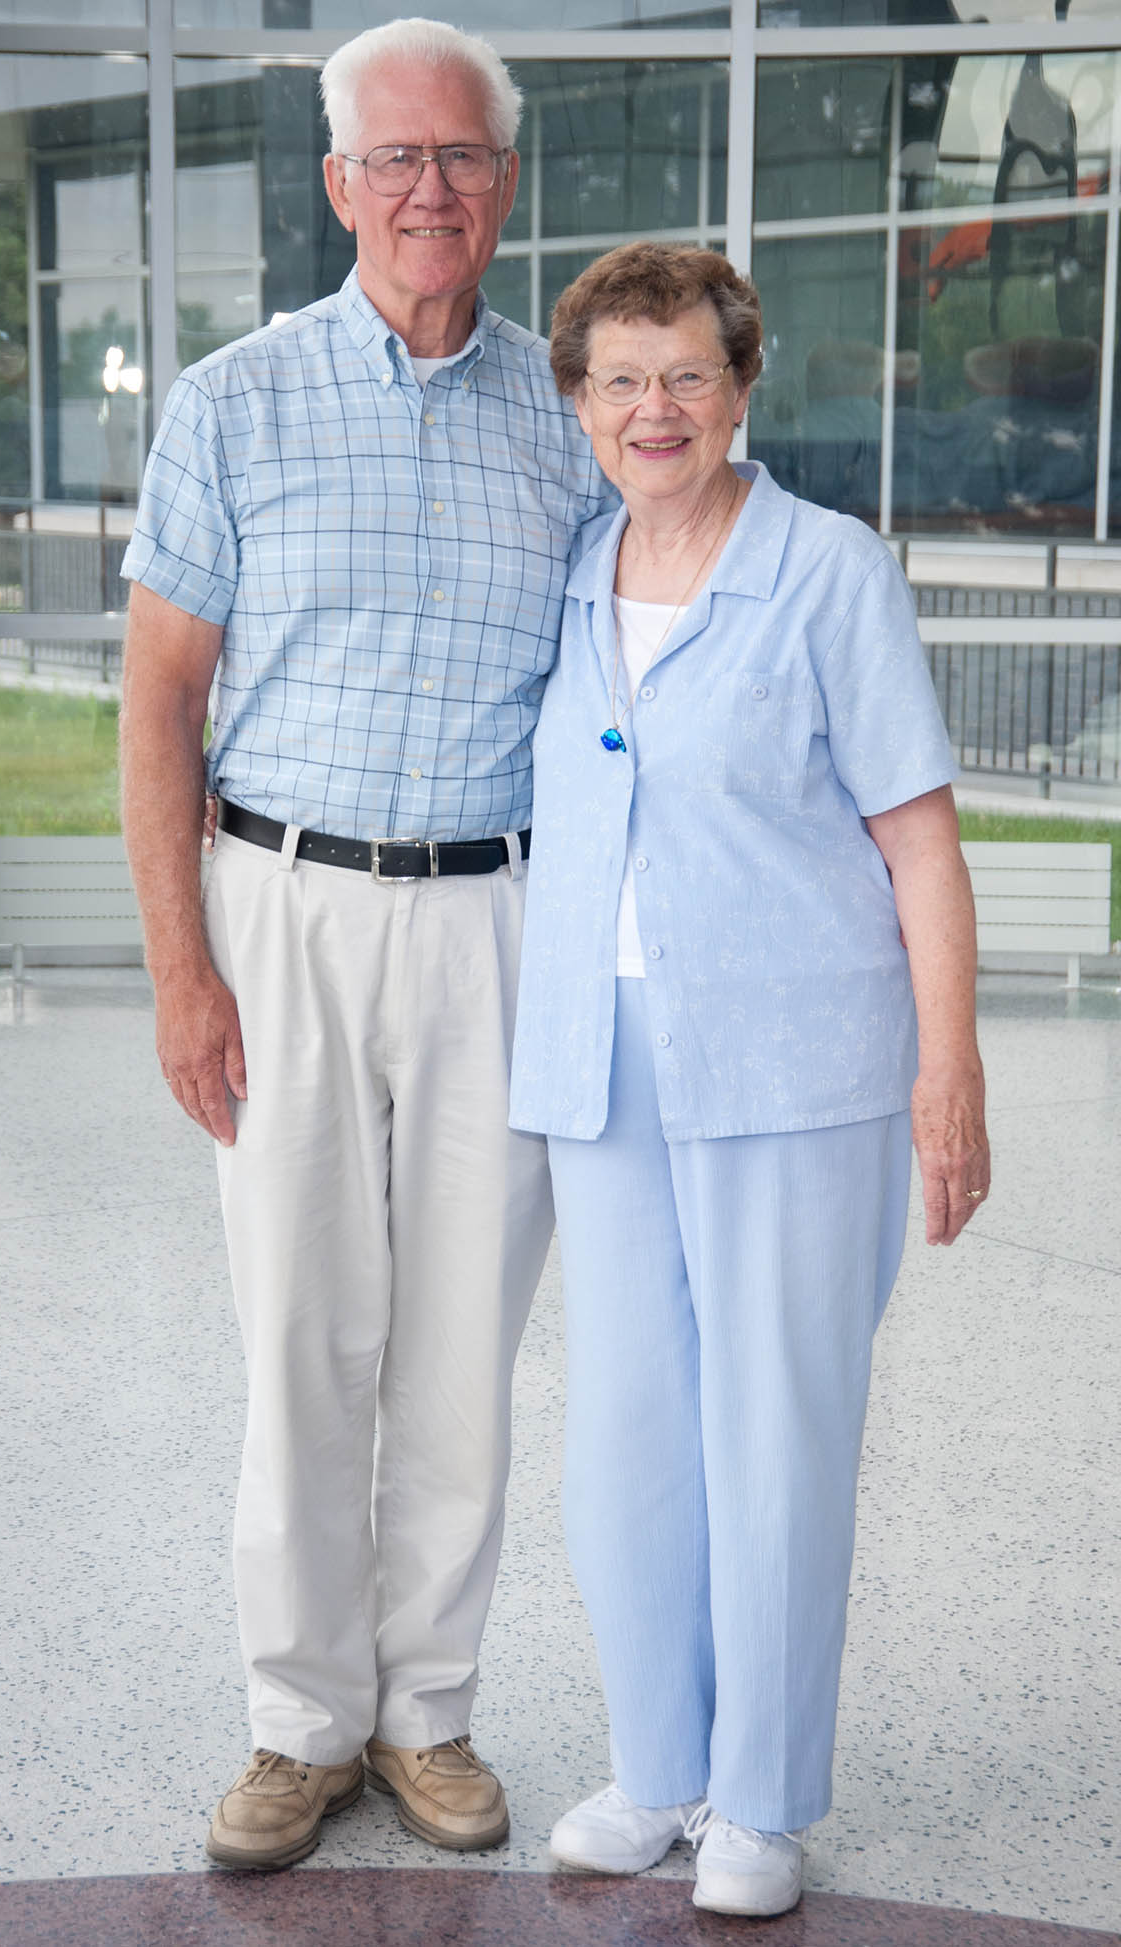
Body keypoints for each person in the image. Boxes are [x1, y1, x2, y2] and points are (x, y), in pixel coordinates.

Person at [119, 18, 607, 1871]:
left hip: (498, 918)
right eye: (394, 158)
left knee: (462, 1346)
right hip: (287, 910)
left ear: (506, 184)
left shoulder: (568, 416)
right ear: (338, 184)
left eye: (461, 156)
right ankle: (300, 1722)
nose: (429, 188)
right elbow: (159, 703)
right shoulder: (231, 402)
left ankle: (428, 1713)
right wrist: (185, 971)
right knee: (302, 1337)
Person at [508, 241, 990, 1919]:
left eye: (686, 377)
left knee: (776, 1431)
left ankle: (765, 1798)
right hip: (605, 1058)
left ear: (739, 391)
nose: (653, 410)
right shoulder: (577, 572)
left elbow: (919, 840)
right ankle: (659, 1769)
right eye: (620, 381)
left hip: (798, 1063)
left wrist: (951, 1071)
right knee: (629, 1434)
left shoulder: (828, 570)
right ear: (580, 405)